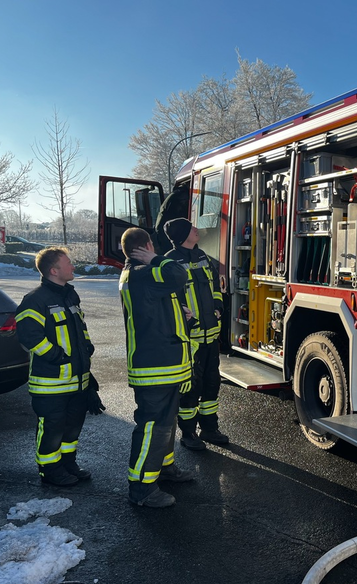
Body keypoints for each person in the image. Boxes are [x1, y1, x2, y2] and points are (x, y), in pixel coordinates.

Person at [119, 227, 195, 508]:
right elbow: (178, 274)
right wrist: (155, 259)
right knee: (153, 427)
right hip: (156, 368)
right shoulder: (143, 272)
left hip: (164, 365)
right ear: (147, 246)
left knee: (165, 424)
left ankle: (163, 469)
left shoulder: (141, 277)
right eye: (153, 249)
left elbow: (159, 308)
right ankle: (141, 488)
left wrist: (183, 316)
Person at [15, 247, 95, 486]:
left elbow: (80, 330)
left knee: (72, 429)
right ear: (53, 270)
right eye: (68, 263)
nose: (72, 266)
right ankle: (50, 471)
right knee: (53, 429)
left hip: (77, 380)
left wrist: (87, 349)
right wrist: (56, 356)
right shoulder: (35, 299)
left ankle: (68, 464)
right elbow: (29, 336)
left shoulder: (69, 295)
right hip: (51, 384)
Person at [163, 218, 229, 450]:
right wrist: (182, 315)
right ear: (182, 235)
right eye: (191, 228)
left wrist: (219, 307)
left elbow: (215, 288)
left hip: (211, 336)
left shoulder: (203, 257)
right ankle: (188, 434)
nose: (196, 229)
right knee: (191, 388)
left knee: (212, 384)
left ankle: (210, 429)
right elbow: (167, 299)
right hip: (190, 341)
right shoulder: (169, 262)